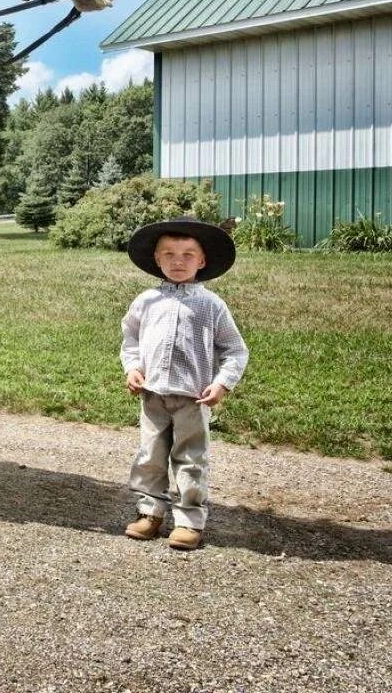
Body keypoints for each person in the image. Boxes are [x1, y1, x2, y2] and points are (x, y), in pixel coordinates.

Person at [119, 216, 248, 551]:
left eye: (188, 254)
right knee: (150, 455)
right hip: (153, 396)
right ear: (156, 259)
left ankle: (189, 520)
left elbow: (235, 350)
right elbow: (131, 338)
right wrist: (132, 367)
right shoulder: (146, 301)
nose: (178, 261)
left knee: (191, 458)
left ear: (202, 261)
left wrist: (222, 383)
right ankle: (150, 513)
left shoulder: (211, 305)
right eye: (169, 254)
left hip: (193, 398)